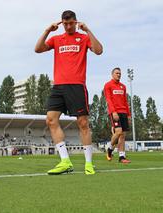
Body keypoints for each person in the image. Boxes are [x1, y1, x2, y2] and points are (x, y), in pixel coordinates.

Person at [35, 10, 103, 175]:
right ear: (61, 23)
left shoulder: (83, 37)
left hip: (77, 86)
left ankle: (88, 163)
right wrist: (47, 31)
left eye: (71, 23)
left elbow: (99, 50)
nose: (68, 26)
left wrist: (87, 30)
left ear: (76, 22)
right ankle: (65, 161)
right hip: (58, 86)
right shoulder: (57, 39)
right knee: (51, 120)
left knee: (83, 123)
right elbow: (38, 49)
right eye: (65, 23)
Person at [104, 67, 131, 163]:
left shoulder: (123, 86)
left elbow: (125, 101)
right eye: (117, 73)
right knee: (118, 132)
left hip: (124, 112)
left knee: (123, 135)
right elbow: (108, 100)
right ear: (112, 74)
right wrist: (113, 112)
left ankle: (122, 157)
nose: (119, 75)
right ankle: (110, 149)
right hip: (115, 112)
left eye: (119, 73)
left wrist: (128, 115)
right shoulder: (108, 85)